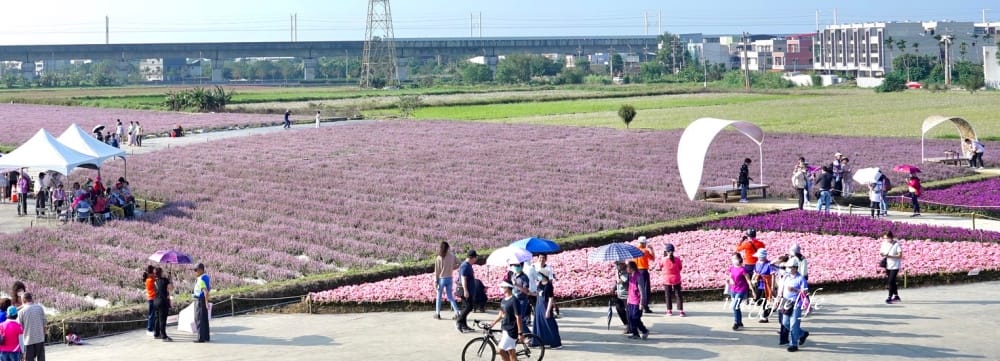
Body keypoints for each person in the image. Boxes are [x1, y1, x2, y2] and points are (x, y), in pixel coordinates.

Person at [780, 259, 809, 352]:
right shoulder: (786, 277)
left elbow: (805, 292)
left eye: (790, 267)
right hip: (786, 302)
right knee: (785, 323)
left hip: (797, 303)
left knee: (794, 324)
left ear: (795, 268)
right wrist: (778, 298)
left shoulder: (801, 278)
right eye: (787, 267)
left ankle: (793, 344)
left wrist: (795, 290)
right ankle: (802, 334)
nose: (788, 269)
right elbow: (782, 288)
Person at [489, 282, 523, 361]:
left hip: (511, 330)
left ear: (508, 288)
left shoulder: (514, 300)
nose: (501, 288)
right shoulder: (504, 300)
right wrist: (493, 323)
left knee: (500, 350)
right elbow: (501, 314)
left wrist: (520, 333)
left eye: (503, 287)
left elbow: (518, 317)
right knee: (511, 353)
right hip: (505, 328)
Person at [532, 268, 562, 349]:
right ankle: (538, 341)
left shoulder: (549, 285)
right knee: (539, 324)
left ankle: (556, 342)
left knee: (549, 324)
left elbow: (550, 298)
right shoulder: (540, 284)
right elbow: (538, 294)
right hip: (538, 305)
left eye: (540, 275)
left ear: (544, 275)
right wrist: (530, 293)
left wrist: (548, 311)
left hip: (545, 306)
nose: (538, 276)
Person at [727, 253, 755, 330]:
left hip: (741, 289)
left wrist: (752, 291)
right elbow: (730, 277)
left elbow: (748, 280)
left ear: (739, 259)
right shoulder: (731, 268)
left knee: (735, 306)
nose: (733, 260)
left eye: (735, 258)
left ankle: (736, 322)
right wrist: (731, 280)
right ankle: (739, 322)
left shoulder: (743, 269)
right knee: (736, 307)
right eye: (732, 259)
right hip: (733, 289)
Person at [432, 241, 460, 320]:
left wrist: (435, 281)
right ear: (448, 248)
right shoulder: (452, 256)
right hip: (449, 278)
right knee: (450, 296)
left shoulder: (439, 257)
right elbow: (460, 263)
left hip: (441, 279)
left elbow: (437, 271)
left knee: (439, 297)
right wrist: (453, 268)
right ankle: (457, 312)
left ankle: (438, 314)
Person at [657, 243, 684, 317]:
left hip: (667, 279)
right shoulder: (677, 259)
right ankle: (681, 311)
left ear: (666, 251)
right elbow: (680, 268)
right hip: (676, 278)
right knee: (678, 295)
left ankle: (669, 311)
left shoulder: (663, 259)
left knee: (668, 295)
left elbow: (660, 267)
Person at [625, 261, 649, 340]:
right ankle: (635, 333)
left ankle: (644, 331)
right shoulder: (630, 276)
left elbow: (642, 291)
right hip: (630, 300)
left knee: (636, 318)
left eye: (627, 267)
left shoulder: (639, 276)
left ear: (631, 268)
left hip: (637, 301)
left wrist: (642, 303)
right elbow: (629, 289)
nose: (626, 269)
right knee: (630, 318)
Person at [456, 250, 478, 333]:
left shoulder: (468, 265)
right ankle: (459, 321)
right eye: (475, 257)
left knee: (465, 307)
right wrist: (466, 290)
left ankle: (464, 325)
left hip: (468, 290)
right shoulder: (465, 266)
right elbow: (463, 278)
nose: (476, 259)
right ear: (472, 258)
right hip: (465, 290)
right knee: (469, 307)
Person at [19, 293, 45, 361]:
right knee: (41, 358)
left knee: (29, 359)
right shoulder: (39, 308)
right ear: (31, 298)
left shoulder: (21, 312)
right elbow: (44, 322)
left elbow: (19, 327)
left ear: (24, 299)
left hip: (28, 340)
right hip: (40, 338)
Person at [508, 259, 532, 332]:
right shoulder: (513, 275)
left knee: (520, 319)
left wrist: (517, 285)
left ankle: (529, 335)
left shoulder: (524, 277)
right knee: (514, 318)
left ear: (521, 266)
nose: (515, 267)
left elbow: (526, 291)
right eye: (514, 265)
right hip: (514, 299)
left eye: (517, 265)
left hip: (521, 300)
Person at [751, 248, 774, 323]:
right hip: (758, 284)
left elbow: (773, 275)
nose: (758, 257)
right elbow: (755, 272)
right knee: (758, 300)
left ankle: (764, 317)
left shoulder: (769, 264)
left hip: (766, 284)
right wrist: (752, 279)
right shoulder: (757, 263)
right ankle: (767, 310)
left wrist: (772, 286)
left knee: (765, 300)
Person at [879, 232, 903, 304]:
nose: (885, 239)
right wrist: (883, 254)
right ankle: (896, 296)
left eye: (886, 238)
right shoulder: (884, 243)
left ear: (890, 237)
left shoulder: (896, 244)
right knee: (892, 281)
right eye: (884, 238)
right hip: (887, 265)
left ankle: (889, 297)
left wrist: (890, 256)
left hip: (895, 265)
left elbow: (900, 255)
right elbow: (881, 252)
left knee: (890, 281)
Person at [633, 237, 655, 313]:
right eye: (645, 243)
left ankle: (638, 306)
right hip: (643, 271)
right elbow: (653, 258)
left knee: (638, 289)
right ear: (643, 243)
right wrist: (652, 249)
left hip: (635, 271)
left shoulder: (634, 250)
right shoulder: (645, 251)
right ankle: (645, 306)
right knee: (645, 290)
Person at [153, 267, 173, 342]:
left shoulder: (154, 282)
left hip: (155, 302)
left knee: (157, 319)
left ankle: (156, 334)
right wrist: (170, 280)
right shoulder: (165, 280)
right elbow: (171, 288)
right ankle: (164, 336)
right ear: (161, 273)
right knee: (162, 320)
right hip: (162, 302)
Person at [192, 263, 211, 343]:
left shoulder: (200, 279)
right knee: (204, 319)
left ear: (201, 270)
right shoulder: (206, 277)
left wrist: (206, 303)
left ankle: (200, 338)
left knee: (198, 319)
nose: (195, 272)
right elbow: (209, 288)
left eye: (196, 270)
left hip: (199, 300)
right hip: (202, 299)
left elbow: (205, 291)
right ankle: (206, 336)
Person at [611, 262, 630, 332]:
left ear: (623, 264)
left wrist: (621, 281)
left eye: (618, 264)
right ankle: (627, 324)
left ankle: (630, 326)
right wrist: (613, 288)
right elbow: (617, 282)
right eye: (616, 264)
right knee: (619, 308)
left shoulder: (628, 270)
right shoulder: (618, 272)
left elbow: (626, 280)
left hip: (627, 294)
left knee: (629, 311)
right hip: (620, 294)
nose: (617, 266)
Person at [143, 265, 157, 336]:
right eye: (153, 272)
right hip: (152, 299)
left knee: (153, 314)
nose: (155, 274)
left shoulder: (149, 279)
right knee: (151, 314)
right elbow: (156, 287)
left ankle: (153, 328)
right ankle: (149, 329)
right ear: (150, 273)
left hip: (151, 298)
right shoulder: (150, 280)